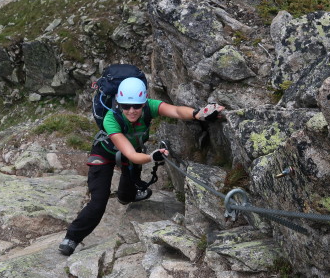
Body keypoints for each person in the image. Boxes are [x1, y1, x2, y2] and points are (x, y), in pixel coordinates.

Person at [59, 76, 224, 256]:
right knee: (99, 201)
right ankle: (72, 237)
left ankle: (126, 196)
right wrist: (151, 157)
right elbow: (130, 154)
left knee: (129, 191)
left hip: (134, 152)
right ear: (118, 103)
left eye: (137, 106)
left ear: (144, 103)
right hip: (105, 153)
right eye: (125, 106)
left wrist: (197, 114)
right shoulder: (110, 119)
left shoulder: (150, 106)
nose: (131, 111)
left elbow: (176, 111)